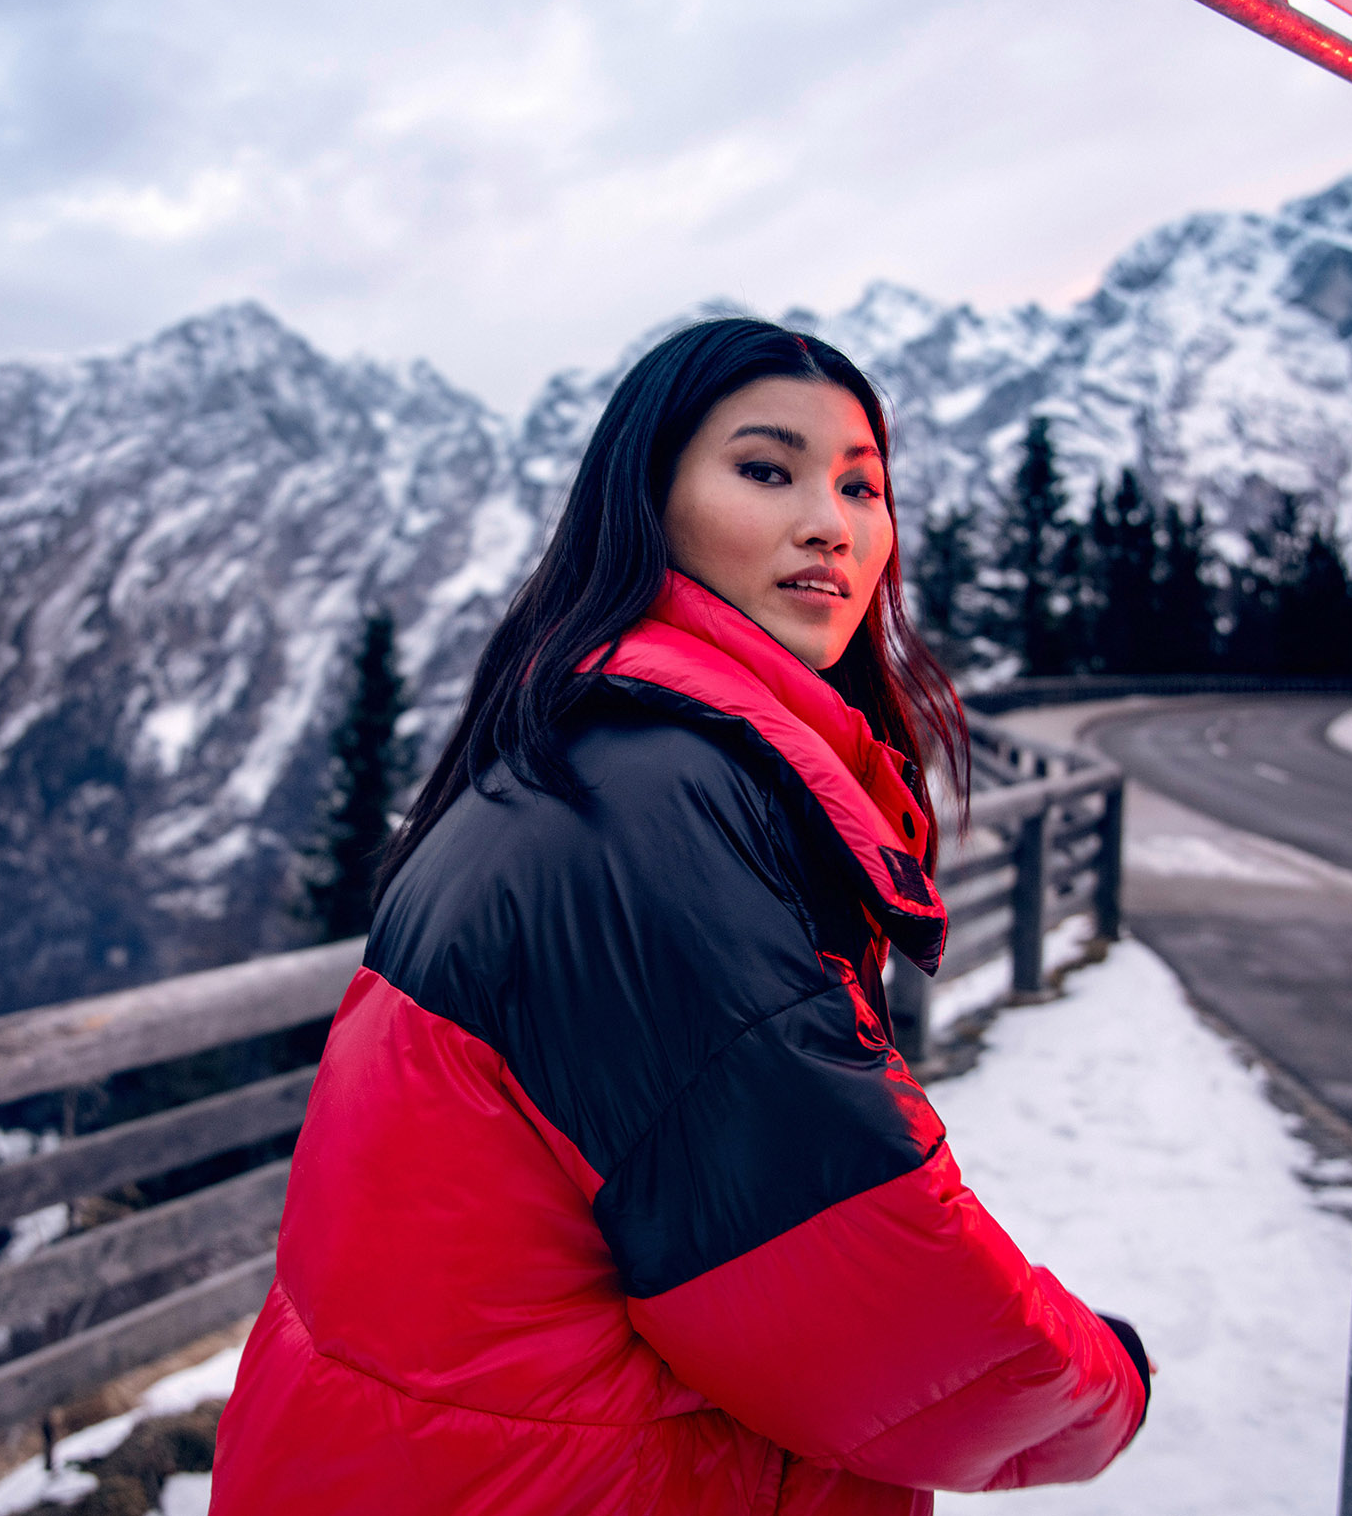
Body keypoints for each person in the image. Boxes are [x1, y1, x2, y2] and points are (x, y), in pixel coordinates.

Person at [212, 319, 1149, 1514]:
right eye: (766, 469)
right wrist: (1101, 1381)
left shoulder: (592, 749)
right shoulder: (647, 809)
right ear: (646, 503)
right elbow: (863, 1298)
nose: (831, 523)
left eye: (860, 485)